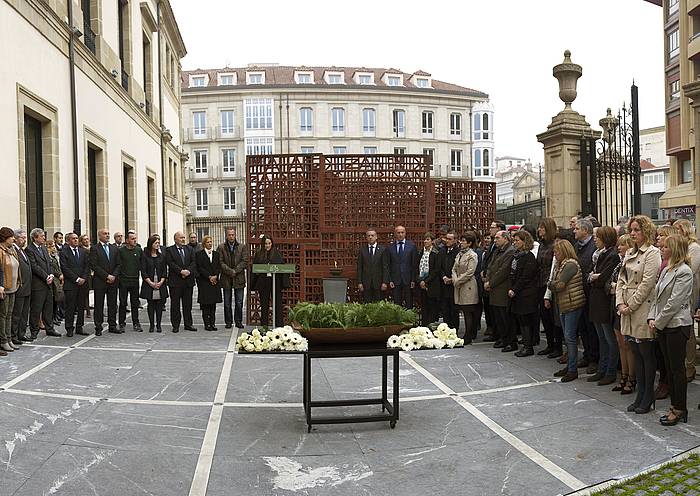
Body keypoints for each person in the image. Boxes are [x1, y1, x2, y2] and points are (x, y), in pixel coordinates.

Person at [616, 215, 661, 414]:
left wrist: (630, 305)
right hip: (626, 308)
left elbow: (647, 284)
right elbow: (620, 280)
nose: (633, 234)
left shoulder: (653, 253)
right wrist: (620, 303)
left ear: (646, 231)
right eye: (631, 230)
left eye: (637, 230)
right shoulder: (629, 254)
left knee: (646, 355)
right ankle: (640, 394)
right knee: (634, 352)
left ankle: (647, 396)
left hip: (642, 308)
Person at [648, 234, 693, 425]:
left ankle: (680, 408)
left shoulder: (684, 271)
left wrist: (657, 322)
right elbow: (657, 297)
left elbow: (674, 302)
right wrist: (652, 317)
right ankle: (674, 405)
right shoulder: (667, 269)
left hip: (677, 325)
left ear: (674, 249)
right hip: (664, 325)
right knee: (668, 368)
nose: (662, 248)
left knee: (677, 370)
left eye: (666, 246)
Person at [550, 239, 586, 382]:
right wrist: (553, 284)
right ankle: (570, 365)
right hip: (565, 303)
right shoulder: (562, 264)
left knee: (570, 337)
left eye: (557, 251)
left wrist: (551, 284)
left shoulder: (570, 264)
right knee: (568, 337)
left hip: (572, 303)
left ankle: (572, 369)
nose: (555, 254)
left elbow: (559, 285)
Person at [588, 226, 620, 385]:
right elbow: (590, 275)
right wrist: (594, 277)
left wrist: (595, 277)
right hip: (596, 300)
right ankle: (602, 368)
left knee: (609, 339)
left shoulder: (612, 255)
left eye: (597, 237)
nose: (595, 239)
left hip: (604, 301)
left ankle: (610, 370)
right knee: (601, 338)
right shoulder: (599, 254)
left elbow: (602, 279)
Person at [672, 219, 699, 384]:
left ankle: (690, 365)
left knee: (689, 331)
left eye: (678, 230)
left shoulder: (694, 248)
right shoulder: (679, 247)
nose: (675, 233)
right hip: (679, 291)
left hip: (690, 291)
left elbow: (691, 268)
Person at [610, 234, 636, 395]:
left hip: (627, 305)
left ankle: (631, 377)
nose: (619, 247)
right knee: (620, 344)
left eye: (622, 245)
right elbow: (610, 283)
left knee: (628, 345)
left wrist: (615, 286)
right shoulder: (619, 264)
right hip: (616, 305)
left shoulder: (630, 263)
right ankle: (625, 375)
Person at [573, 218, 599, 375]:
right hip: (578, 291)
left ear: (585, 231)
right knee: (582, 325)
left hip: (590, 292)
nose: (574, 231)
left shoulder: (593, 247)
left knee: (591, 327)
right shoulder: (577, 246)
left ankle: (594, 358)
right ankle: (587, 354)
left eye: (577, 229)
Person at [485, 230, 517, 351]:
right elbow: (491, 266)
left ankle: (510, 341)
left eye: (498, 238)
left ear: (505, 238)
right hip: (494, 288)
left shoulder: (510, 251)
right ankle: (502, 338)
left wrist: (490, 282)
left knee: (505, 317)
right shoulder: (497, 251)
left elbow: (503, 271)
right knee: (497, 316)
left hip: (502, 288)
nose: (495, 240)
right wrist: (487, 279)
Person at [509, 230, 539, 357]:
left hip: (526, 293)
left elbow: (526, 277)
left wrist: (515, 289)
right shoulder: (517, 255)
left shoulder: (528, 256)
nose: (515, 243)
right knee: (521, 320)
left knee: (526, 320)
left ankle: (528, 347)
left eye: (517, 241)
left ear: (525, 241)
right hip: (518, 293)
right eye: (514, 240)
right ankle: (526, 345)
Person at [654, 225, 675, 400]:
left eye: (662, 237)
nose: (658, 240)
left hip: (670, 319)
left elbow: (673, 300)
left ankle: (667, 384)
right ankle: (664, 381)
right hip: (659, 315)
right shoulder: (662, 262)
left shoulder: (675, 267)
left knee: (669, 358)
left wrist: (658, 321)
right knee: (661, 354)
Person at [26, 228, 60, 338]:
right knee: (36, 308)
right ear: (35, 238)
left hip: (48, 283)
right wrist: (46, 276)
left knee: (48, 307)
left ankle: (49, 328)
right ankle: (34, 331)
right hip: (38, 284)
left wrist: (50, 274)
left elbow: (49, 263)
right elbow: (34, 266)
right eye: (42, 236)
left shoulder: (44, 248)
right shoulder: (29, 250)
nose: (44, 238)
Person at [251, 235, 289, 327]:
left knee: (277, 304)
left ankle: (279, 325)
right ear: (263, 244)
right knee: (264, 304)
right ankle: (264, 326)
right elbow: (255, 268)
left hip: (275, 282)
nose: (267, 245)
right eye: (266, 244)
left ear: (272, 243)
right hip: (263, 282)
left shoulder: (277, 253)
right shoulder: (259, 254)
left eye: (269, 243)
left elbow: (282, 266)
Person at [89, 228, 121, 335]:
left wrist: (114, 276)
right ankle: (98, 326)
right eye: (105, 234)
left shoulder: (114, 248)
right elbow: (94, 265)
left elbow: (119, 264)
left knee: (112, 304)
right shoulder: (94, 248)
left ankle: (112, 325)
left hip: (113, 281)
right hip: (100, 281)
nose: (107, 235)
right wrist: (107, 276)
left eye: (108, 233)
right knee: (99, 305)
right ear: (99, 236)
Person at [537, 218, 560, 357]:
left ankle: (557, 346)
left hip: (549, 284)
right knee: (544, 317)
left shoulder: (554, 245)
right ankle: (550, 345)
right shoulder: (541, 245)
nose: (539, 230)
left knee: (553, 317)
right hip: (540, 283)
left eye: (542, 227)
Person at [166, 232, 198, 333]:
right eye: (181, 238)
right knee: (175, 305)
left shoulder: (190, 249)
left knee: (187, 304)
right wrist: (181, 271)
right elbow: (171, 263)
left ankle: (188, 324)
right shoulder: (170, 250)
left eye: (184, 237)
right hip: (175, 282)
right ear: (175, 239)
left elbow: (194, 262)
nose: (183, 239)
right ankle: (175, 325)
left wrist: (188, 271)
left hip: (188, 281)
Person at [59, 233, 90, 337]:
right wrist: (76, 279)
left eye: (77, 238)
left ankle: (79, 327)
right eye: (73, 239)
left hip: (83, 284)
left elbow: (87, 266)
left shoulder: (83, 251)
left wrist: (84, 278)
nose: (76, 240)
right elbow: (65, 268)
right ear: (68, 241)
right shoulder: (64, 252)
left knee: (81, 307)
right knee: (70, 308)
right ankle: (69, 328)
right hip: (71, 284)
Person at [218, 227, 249, 329]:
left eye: (232, 235)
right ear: (226, 235)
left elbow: (245, 261)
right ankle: (228, 321)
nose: (231, 237)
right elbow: (220, 262)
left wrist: (235, 271)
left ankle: (238, 321)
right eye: (229, 235)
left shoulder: (242, 247)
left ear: (235, 235)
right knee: (227, 302)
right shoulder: (221, 247)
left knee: (239, 302)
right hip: (226, 278)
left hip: (238, 277)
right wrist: (229, 271)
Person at [452, 232, 479, 344]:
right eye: (461, 240)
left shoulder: (472, 255)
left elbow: (470, 272)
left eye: (464, 241)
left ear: (469, 243)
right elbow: (453, 268)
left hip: (468, 285)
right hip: (458, 285)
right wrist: (454, 279)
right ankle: (468, 334)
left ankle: (468, 335)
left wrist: (458, 280)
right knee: (463, 309)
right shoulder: (459, 254)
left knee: (468, 311)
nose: (461, 242)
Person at [482, 220, 506, 340]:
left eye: (492, 227)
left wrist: (490, 281)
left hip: (498, 285)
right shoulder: (493, 245)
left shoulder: (506, 250)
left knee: (501, 314)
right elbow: (490, 263)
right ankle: (494, 331)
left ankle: (501, 335)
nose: (490, 229)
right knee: (491, 310)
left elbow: (501, 269)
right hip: (489, 280)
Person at [140, 235, 168, 333]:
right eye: (156, 243)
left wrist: (161, 282)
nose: (157, 245)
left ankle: (159, 325)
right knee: (151, 305)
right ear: (151, 244)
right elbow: (143, 271)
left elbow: (165, 270)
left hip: (160, 283)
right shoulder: (145, 256)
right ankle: (152, 325)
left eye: (158, 243)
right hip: (149, 283)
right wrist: (151, 283)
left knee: (159, 305)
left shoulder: (162, 256)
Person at [0, 227, 21, 354]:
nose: (14, 238)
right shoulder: (1, 251)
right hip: (4, 288)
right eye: (11, 236)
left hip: (13, 287)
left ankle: (8, 338)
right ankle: (3, 340)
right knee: (3, 315)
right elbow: (0, 270)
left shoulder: (11, 250)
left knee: (9, 314)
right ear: (5, 238)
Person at [387, 225, 418, 309]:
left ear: (405, 233)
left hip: (408, 279)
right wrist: (390, 280)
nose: (400, 234)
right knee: (397, 303)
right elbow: (388, 265)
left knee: (409, 302)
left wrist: (413, 279)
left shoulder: (411, 246)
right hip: (395, 279)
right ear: (395, 234)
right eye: (398, 233)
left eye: (402, 232)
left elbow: (414, 264)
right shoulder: (390, 247)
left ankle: (409, 321)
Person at [118, 231, 143, 332]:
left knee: (135, 303)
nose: (135, 240)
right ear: (127, 240)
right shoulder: (121, 251)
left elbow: (142, 264)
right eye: (132, 239)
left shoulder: (139, 250)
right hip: (123, 281)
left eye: (135, 238)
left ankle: (136, 323)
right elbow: (118, 265)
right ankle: (121, 323)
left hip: (135, 280)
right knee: (123, 303)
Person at [196, 236, 222, 331]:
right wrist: (209, 277)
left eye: (211, 242)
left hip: (214, 282)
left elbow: (219, 266)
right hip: (205, 282)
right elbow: (199, 268)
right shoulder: (199, 254)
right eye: (208, 242)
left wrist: (215, 276)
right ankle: (207, 324)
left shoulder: (216, 254)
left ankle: (213, 323)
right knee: (205, 305)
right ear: (204, 244)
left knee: (213, 305)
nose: (210, 244)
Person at [11, 230, 32, 344]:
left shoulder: (22, 250)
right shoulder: (13, 250)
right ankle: (14, 336)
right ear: (16, 238)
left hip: (27, 287)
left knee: (24, 313)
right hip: (20, 287)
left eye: (25, 238)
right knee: (17, 314)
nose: (24, 240)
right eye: (22, 238)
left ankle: (21, 334)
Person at [357, 229, 388, 303]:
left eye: (372, 235)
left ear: (376, 237)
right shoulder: (362, 250)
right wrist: (360, 282)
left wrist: (385, 282)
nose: (370, 237)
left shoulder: (382, 250)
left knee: (378, 305)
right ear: (366, 237)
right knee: (367, 304)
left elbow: (385, 267)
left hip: (379, 283)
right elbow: (359, 267)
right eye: (368, 236)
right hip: (366, 283)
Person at [418, 232, 441, 326]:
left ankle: (431, 325)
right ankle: (424, 326)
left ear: (432, 241)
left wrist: (426, 281)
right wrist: (420, 280)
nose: (425, 241)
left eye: (428, 239)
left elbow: (436, 270)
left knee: (432, 306)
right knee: (424, 306)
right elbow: (416, 267)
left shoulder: (435, 253)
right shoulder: (420, 252)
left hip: (432, 283)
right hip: (421, 283)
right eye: (425, 239)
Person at [440, 231, 460, 330]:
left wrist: (452, 279)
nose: (447, 241)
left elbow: (459, 268)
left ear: (455, 240)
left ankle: (454, 330)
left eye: (449, 239)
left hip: (454, 284)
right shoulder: (442, 250)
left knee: (454, 309)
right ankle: (446, 329)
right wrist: (444, 277)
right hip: (444, 284)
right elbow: (440, 266)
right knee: (445, 308)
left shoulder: (458, 252)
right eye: (446, 238)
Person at [45, 239, 64, 327]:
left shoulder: (55, 256)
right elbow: (52, 267)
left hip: (58, 279)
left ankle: (56, 315)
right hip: (54, 279)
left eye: (53, 246)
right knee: (54, 299)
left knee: (58, 299)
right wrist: (58, 274)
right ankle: (53, 317)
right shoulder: (48, 256)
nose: (53, 248)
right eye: (51, 246)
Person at [79, 234, 92, 318]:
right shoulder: (82, 250)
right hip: (85, 274)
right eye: (84, 239)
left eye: (87, 239)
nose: (86, 241)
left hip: (92, 273)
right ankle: (87, 310)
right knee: (85, 292)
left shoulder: (92, 249)